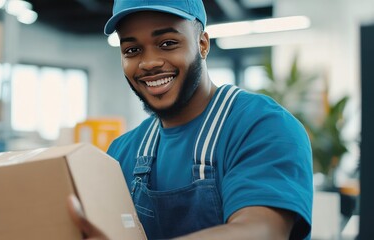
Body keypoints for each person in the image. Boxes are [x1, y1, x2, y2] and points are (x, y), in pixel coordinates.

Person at [69, 0, 313, 239]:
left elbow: (263, 232)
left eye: (167, 43)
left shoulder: (264, 127)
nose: (149, 63)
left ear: (203, 44)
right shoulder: (121, 153)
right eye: (132, 50)